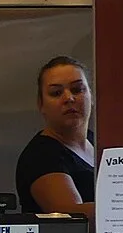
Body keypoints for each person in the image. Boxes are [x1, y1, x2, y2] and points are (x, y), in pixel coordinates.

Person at [15, 55, 96, 219]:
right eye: (56, 92)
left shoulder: (100, 141)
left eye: (77, 89)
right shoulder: (40, 156)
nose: (69, 98)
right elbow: (72, 217)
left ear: (91, 96)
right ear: (41, 104)